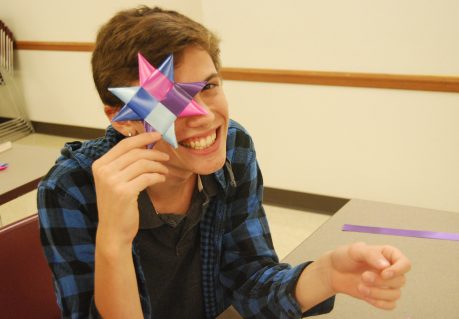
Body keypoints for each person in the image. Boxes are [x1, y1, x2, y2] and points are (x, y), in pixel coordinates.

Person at [37, 5, 411, 319]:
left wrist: (325, 274)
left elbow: (249, 277)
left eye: (209, 87)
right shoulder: (70, 190)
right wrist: (114, 241)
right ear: (123, 119)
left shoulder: (235, 148)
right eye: (169, 102)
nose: (202, 115)